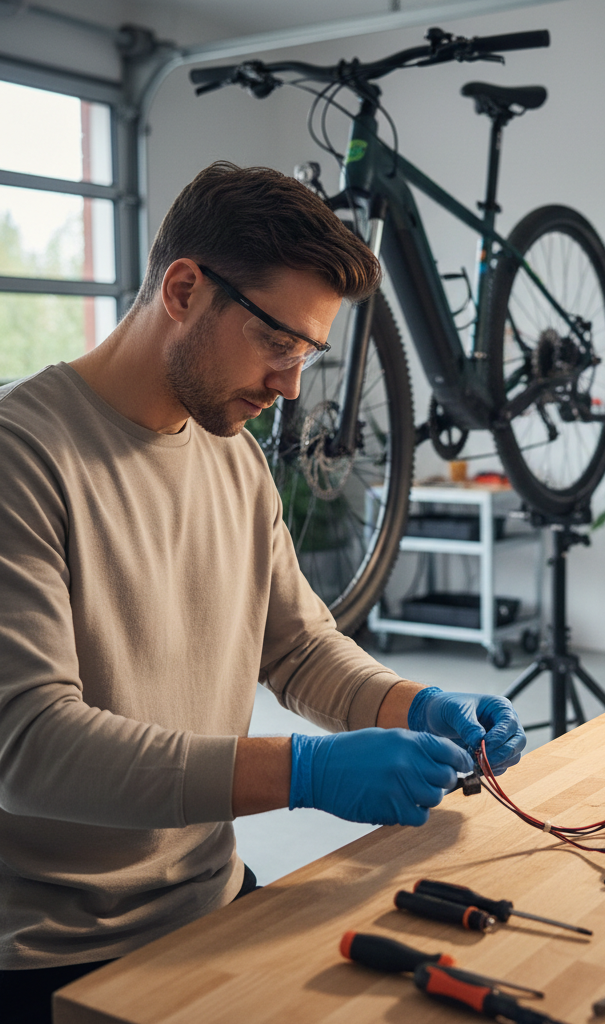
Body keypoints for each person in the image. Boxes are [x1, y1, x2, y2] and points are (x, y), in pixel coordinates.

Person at [0, 161, 526, 1023]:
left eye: (306, 356)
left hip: (208, 900)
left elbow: (296, 645)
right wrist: (302, 770)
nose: (290, 386)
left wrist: (413, 702)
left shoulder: (232, 457)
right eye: (279, 345)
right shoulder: (23, 456)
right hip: (55, 952)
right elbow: (27, 748)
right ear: (182, 289)